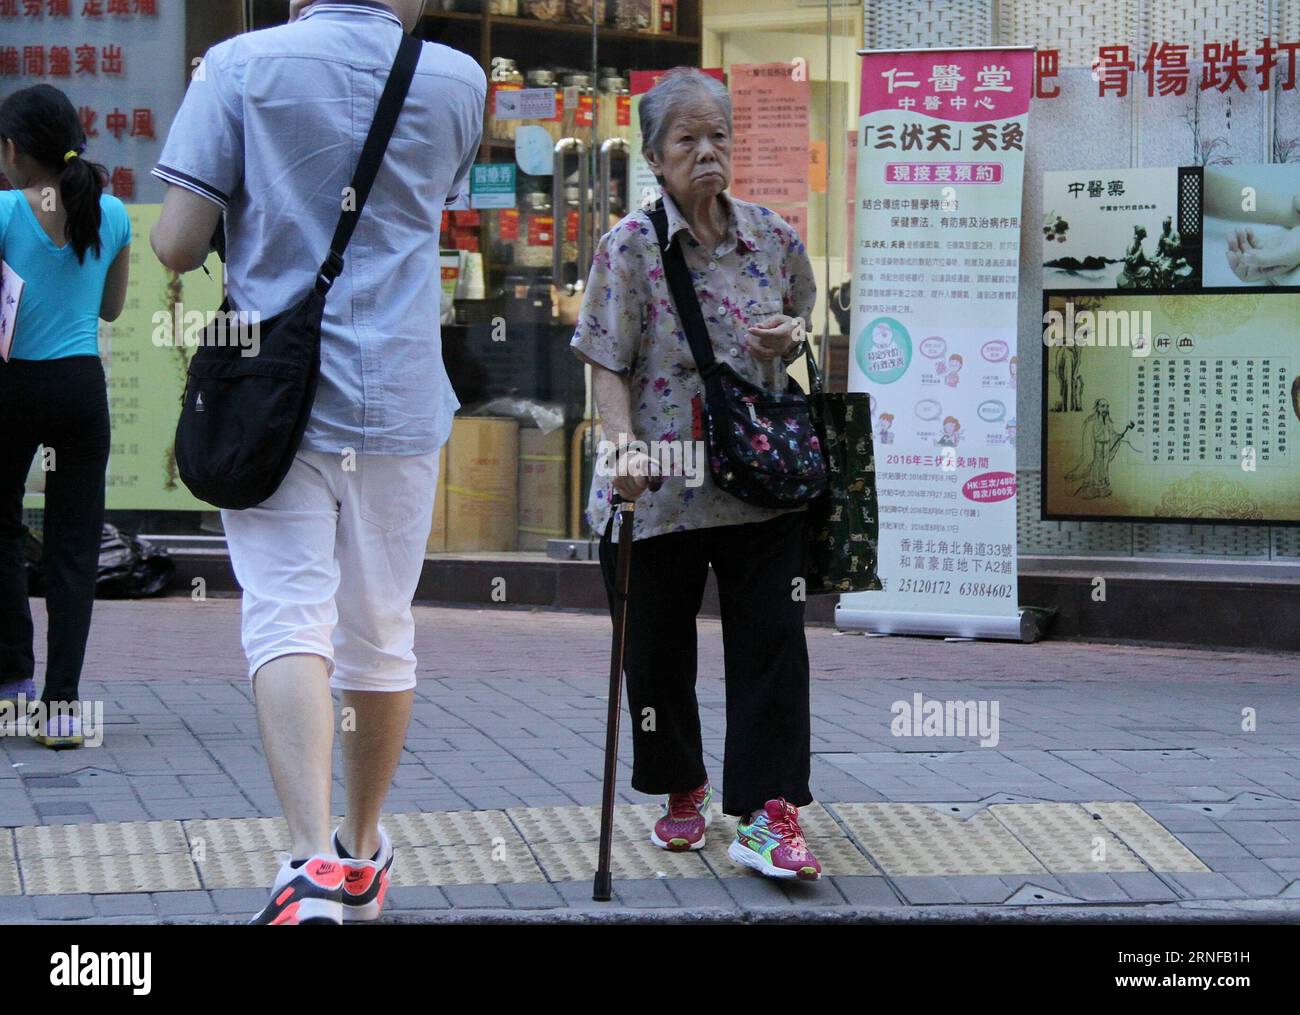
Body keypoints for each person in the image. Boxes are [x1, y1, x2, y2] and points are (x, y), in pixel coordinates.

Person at [151, 0, 483, 924]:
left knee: (287, 613)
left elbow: (176, 242)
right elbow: (420, 214)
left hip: (272, 392)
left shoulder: (238, 66)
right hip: (403, 393)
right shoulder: (459, 80)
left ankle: (306, 869)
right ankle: (364, 853)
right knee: (382, 629)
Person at [571, 67, 823, 881]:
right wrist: (622, 446)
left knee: (773, 646)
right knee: (653, 651)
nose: (708, 151)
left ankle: (768, 810)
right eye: (688, 138)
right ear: (654, 154)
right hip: (658, 487)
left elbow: (798, 316)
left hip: (757, 482)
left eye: (719, 135)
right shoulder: (630, 248)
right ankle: (682, 784)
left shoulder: (774, 238)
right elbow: (603, 362)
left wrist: (785, 337)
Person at [0, 85, 131, 750]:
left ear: (14, 151)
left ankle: (14, 678)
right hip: (82, 388)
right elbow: (110, 309)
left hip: (12, 386)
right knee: (75, 550)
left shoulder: (1, 212)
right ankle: (62, 708)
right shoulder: (112, 216)